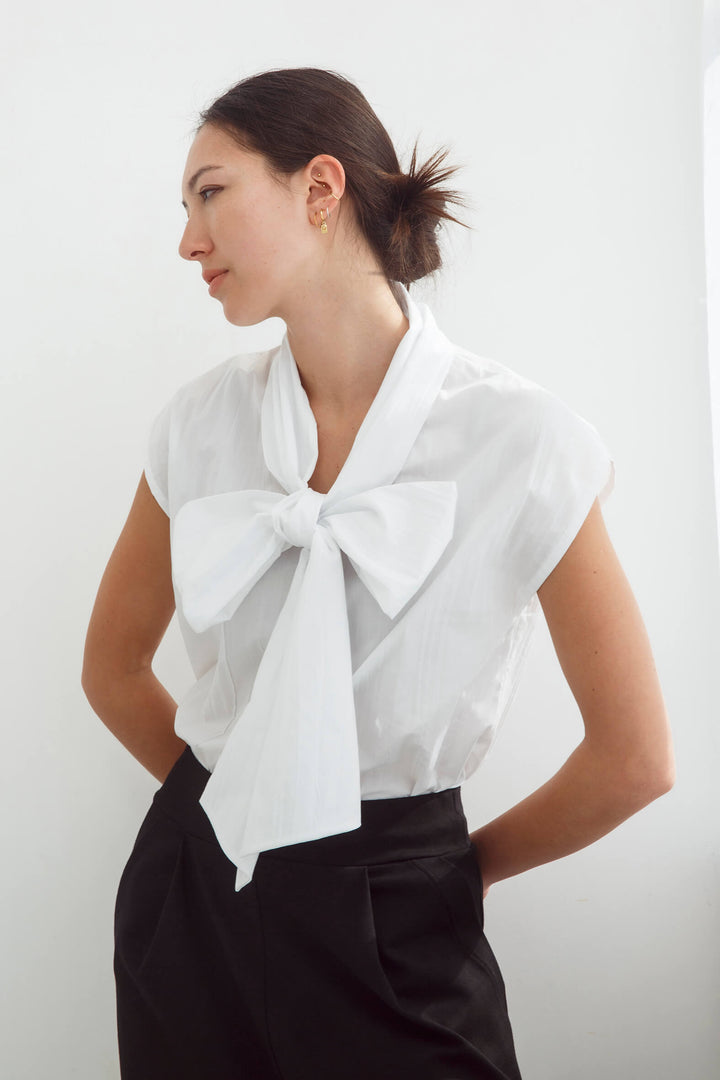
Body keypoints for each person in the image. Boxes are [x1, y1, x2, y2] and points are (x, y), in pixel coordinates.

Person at [81, 66, 675, 1079]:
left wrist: (449, 872)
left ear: (320, 189)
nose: (188, 240)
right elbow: (110, 669)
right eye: (185, 208)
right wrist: (239, 805)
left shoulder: (522, 441)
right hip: (193, 904)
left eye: (210, 193)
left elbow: (636, 760)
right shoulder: (197, 425)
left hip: (402, 910)